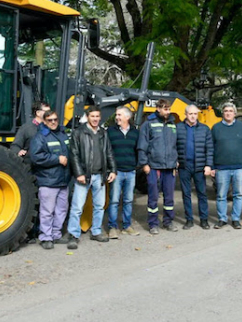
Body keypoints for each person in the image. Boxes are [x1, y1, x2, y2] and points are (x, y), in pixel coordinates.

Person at [62, 106, 116, 248]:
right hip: (84, 176)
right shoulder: (78, 132)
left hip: (100, 175)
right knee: (77, 207)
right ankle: (73, 234)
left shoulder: (103, 133)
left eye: (98, 116)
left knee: (99, 206)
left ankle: (96, 232)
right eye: (93, 116)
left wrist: (113, 170)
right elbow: (73, 154)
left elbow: (109, 152)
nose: (95, 119)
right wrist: (79, 173)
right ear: (87, 117)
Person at [28, 110, 71, 250]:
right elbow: (36, 157)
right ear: (44, 122)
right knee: (47, 211)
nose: (53, 122)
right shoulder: (40, 137)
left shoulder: (63, 134)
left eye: (55, 119)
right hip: (48, 180)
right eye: (50, 120)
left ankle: (55, 234)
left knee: (61, 210)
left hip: (63, 180)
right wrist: (56, 159)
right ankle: (46, 237)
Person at [138, 99, 179, 235]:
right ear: (158, 109)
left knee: (169, 198)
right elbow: (142, 146)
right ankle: (153, 223)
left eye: (169, 109)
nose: (168, 111)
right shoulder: (148, 124)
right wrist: (144, 164)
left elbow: (176, 146)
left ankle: (168, 221)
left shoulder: (173, 124)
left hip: (169, 167)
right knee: (153, 196)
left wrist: (176, 162)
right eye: (165, 109)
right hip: (154, 167)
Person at [11, 101, 50, 243]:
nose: (49, 113)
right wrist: (18, 151)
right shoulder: (27, 128)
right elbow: (15, 145)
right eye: (46, 111)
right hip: (29, 171)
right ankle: (30, 233)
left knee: (44, 202)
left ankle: (42, 231)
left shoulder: (49, 128)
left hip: (45, 170)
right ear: (38, 113)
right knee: (31, 202)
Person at [210, 102, 242, 229]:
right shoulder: (216, 128)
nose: (228, 113)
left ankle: (236, 219)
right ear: (223, 113)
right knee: (221, 195)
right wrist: (212, 166)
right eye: (226, 111)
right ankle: (222, 218)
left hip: (239, 167)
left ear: (235, 113)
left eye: (231, 111)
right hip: (221, 167)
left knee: (238, 194)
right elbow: (211, 148)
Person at [176, 105, 214, 230]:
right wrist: (175, 161)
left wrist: (208, 165)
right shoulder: (178, 128)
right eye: (190, 114)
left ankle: (204, 219)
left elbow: (209, 149)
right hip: (184, 166)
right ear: (185, 114)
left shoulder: (204, 129)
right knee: (186, 194)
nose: (193, 116)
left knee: (202, 194)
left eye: (195, 114)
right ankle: (189, 220)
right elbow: (173, 147)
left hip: (199, 166)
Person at [106, 106, 140, 238]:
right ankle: (112, 227)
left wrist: (136, 165)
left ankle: (127, 226)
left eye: (120, 115)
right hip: (116, 172)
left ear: (128, 117)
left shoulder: (135, 133)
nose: (117, 117)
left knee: (128, 200)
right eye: (116, 115)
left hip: (131, 171)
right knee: (114, 200)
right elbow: (107, 151)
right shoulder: (110, 131)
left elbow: (138, 150)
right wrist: (110, 169)